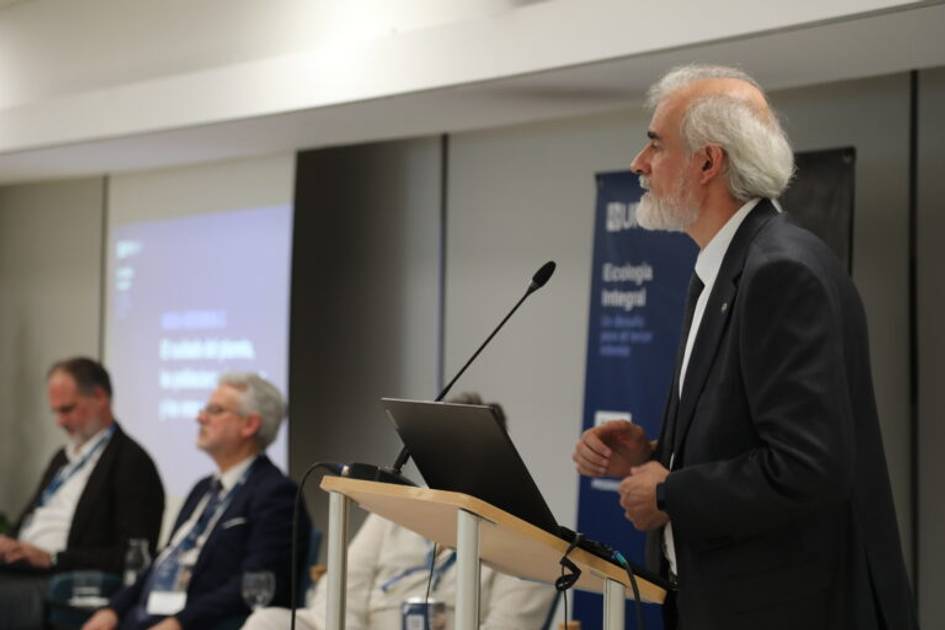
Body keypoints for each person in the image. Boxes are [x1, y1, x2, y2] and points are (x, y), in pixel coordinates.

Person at [572, 65, 917, 630]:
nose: (638, 163)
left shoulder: (780, 271)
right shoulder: (724, 270)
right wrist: (653, 455)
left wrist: (672, 491)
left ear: (708, 162)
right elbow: (752, 437)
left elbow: (808, 465)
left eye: (656, 145)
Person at [241, 394, 556, 630]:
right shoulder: (396, 509)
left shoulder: (527, 537)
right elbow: (346, 581)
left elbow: (508, 625)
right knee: (267, 621)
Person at [83, 373, 310, 630]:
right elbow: (165, 560)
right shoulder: (203, 489)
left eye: (215, 410)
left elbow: (254, 585)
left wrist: (180, 622)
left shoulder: (276, 493)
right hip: (144, 617)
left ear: (250, 425)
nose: (200, 418)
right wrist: (112, 609)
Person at [0, 357, 165, 629]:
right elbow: (30, 519)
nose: (60, 422)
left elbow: (133, 554)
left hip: (64, 576)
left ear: (100, 397)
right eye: (55, 412)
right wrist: (10, 544)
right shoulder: (62, 458)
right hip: (23, 568)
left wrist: (52, 558)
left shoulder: (131, 462)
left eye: (68, 409)